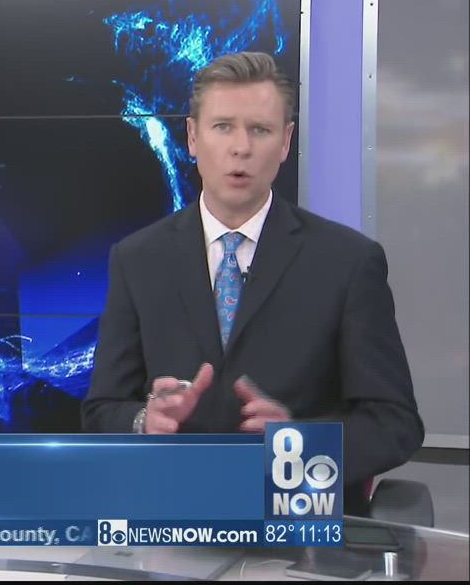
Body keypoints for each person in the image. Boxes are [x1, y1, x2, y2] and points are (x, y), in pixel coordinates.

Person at [82, 51, 423, 515]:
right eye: (223, 127)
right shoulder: (137, 259)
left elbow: (395, 423)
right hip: (171, 519)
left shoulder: (348, 261)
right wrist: (147, 420)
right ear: (192, 137)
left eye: (260, 130)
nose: (241, 148)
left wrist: (299, 443)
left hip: (299, 524)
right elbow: (101, 409)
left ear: (285, 142)